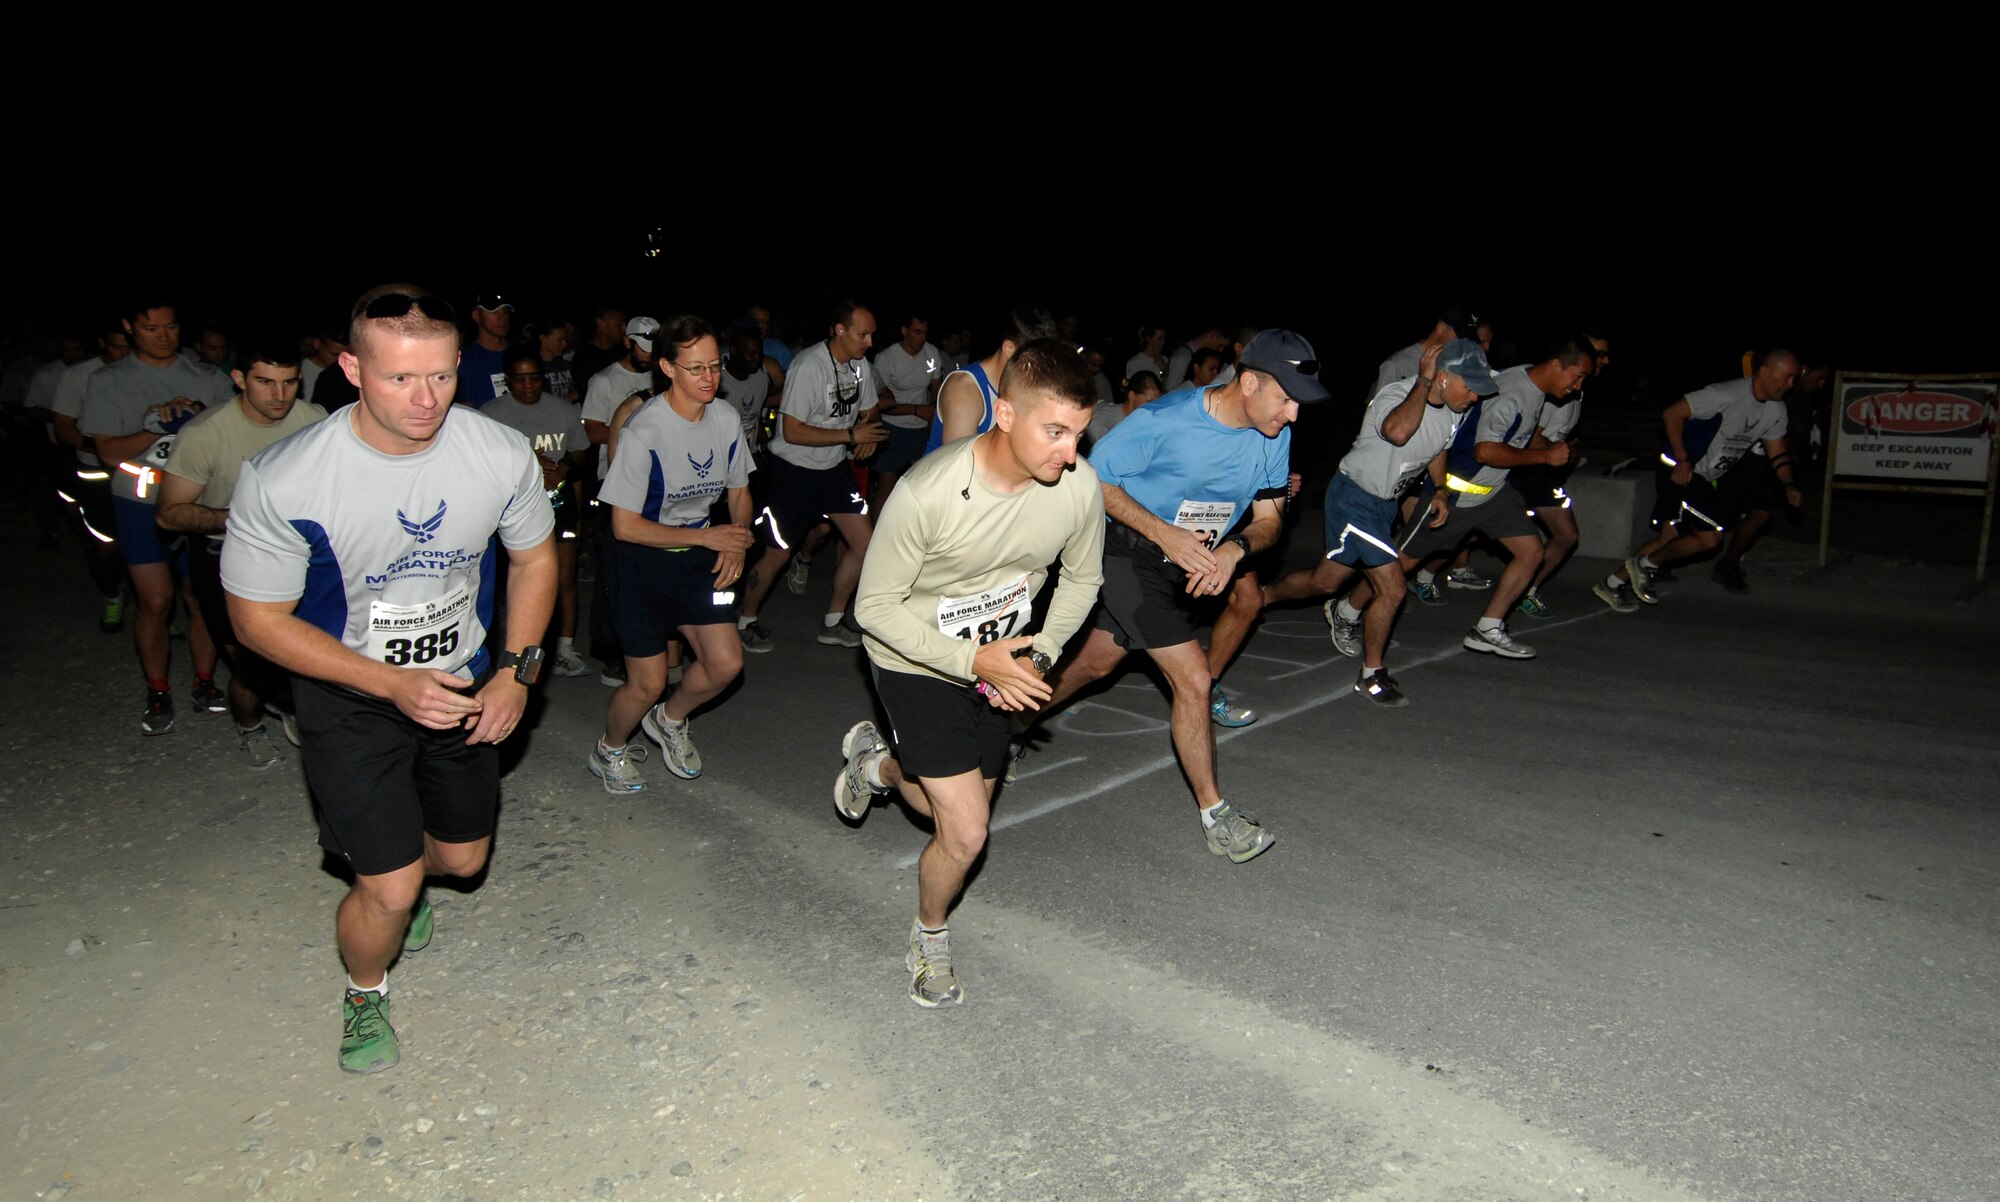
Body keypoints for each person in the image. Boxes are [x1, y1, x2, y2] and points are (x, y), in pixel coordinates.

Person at [224, 284, 557, 1076]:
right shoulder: (287, 478)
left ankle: (396, 871)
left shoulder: (496, 450)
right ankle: (364, 990)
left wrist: (515, 673)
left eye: (440, 376)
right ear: (348, 368)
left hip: (464, 684)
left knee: (464, 861)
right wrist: (388, 684)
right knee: (394, 885)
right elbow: (256, 622)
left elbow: (537, 559)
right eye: (400, 378)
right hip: (348, 696)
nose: (425, 398)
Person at [833, 339, 1104, 1007]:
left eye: (1079, 434)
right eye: (1056, 431)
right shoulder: (929, 492)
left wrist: (1040, 654)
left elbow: (1082, 577)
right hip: (918, 659)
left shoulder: (1078, 485)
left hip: (1003, 663)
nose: (1070, 453)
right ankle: (929, 937)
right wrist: (969, 660)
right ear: (1005, 415)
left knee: (938, 805)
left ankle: (879, 768)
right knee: (967, 831)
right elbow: (873, 610)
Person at [1016, 330, 1329, 862]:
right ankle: (1217, 817)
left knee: (1095, 663)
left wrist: (1234, 550)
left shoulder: (1273, 435)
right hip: (1125, 551)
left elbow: (1271, 521)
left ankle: (1006, 721)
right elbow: (1089, 478)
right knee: (1194, 678)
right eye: (1286, 398)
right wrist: (1164, 532)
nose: (1294, 414)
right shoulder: (1165, 421)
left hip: (1184, 561)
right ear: (1249, 382)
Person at [1252, 340, 1494, 705]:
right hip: (1354, 498)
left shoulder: (1455, 412)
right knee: (1393, 587)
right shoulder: (1396, 395)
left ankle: (1260, 597)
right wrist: (1423, 384)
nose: (1475, 396)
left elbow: (1438, 447)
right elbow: (1398, 432)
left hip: (1383, 505)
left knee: (1325, 581)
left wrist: (1440, 489)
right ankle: (1372, 675)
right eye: (1470, 386)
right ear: (1443, 378)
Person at [588, 316, 753, 792]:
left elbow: (740, 490)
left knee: (726, 665)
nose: (709, 378)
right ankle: (609, 750)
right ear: (667, 367)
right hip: (639, 559)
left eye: (715, 366)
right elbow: (624, 526)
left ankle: (670, 719)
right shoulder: (646, 429)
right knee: (647, 682)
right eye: (696, 368)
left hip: (698, 554)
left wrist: (737, 540)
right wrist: (710, 538)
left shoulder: (723, 418)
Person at [1365, 336, 1593, 659]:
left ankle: (1487, 627)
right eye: (1578, 375)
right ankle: (1347, 608)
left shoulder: (1534, 384)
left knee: (1531, 553)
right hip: (1458, 492)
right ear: (1557, 365)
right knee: (1401, 564)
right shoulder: (1514, 393)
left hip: (1495, 494)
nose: (1578, 386)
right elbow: (1484, 450)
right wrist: (1544, 458)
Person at [157, 337, 327, 766]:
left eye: (289, 383)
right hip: (225, 556)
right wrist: (242, 516)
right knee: (252, 663)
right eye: (266, 382)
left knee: (318, 649)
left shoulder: (316, 421)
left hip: (302, 552)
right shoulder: (204, 434)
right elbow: (170, 514)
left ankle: (301, 711)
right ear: (239, 379)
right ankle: (250, 725)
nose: (279, 395)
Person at [78, 294, 235, 734]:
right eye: (150, 328)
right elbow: (107, 452)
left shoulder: (205, 376)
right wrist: (150, 425)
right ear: (129, 328)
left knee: (201, 597)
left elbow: (233, 436)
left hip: (200, 503)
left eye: (170, 327)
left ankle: (205, 683)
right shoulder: (109, 380)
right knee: (155, 600)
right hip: (139, 503)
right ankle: (158, 689)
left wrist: (202, 419)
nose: (163, 337)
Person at [1595, 350, 1804, 611]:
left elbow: (1778, 454)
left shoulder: (1775, 410)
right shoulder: (1725, 394)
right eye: (1786, 378)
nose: (1790, 385)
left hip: (1705, 476)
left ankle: (1612, 583)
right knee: (1710, 538)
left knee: (1669, 538)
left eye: (1794, 379)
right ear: (1764, 372)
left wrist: (1789, 486)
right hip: (1680, 470)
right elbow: (1672, 413)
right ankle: (1646, 565)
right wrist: (1683, 459)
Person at [735, 300, 886, 651]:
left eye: (872, 335)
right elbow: (792, 431)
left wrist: (867, 430)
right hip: (793, 471)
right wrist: (851, 436)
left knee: (866, 544)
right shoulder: (809, 366)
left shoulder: (861, 366)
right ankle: (746, 620)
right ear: (840, 330)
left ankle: (833, 621)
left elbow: (871, 409)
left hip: (833, 469)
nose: (869, 342)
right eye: (863, 334)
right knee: (779, 552)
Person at [480, 347, 591, 675]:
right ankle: (515, 650)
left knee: (565, 577)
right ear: (508, 381)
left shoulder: (563, 409)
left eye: (534, 377)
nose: (528, 385)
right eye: (520, 379)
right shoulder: (490, 414)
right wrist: (526, 463)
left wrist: (566, 466)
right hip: (512, 508)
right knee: (513, 581)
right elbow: (481, 463)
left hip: (558, 501)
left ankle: (565, 648)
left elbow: (581, 449)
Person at [1515, 333, 1610, 618]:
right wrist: (1558, 451)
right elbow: (1528, 438)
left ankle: (1526, 589)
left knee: (1566, 535)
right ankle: (1419, 572)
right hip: (1526, 468)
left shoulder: (1576, 387)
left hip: (1544, 471)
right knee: (1471, 527)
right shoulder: (1552, 388)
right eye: (1600, 353)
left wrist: (1569, 448)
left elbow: (1560, 433)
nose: (1604, 360)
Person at [926, 305, 1060, 452]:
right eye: (1035, 361)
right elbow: (961, 466)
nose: (1041, 370)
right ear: (1009, 348)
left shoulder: (1023, 386)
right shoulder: (965, 389)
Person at [868, 312, 945, 505]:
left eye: (925, 333)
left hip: (920, 429)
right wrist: (916, 410)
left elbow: (936, 387)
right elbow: (878, 405)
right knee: (888, 489)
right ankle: (878, 532)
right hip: (892, 428)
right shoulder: (886, 358)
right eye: (917, 332)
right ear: (904, 331)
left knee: (925, 486)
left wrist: (934, 412)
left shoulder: (932, 353)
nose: (922, 337)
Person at [456, 292, 513, 408]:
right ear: (476, 316)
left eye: (505, 311)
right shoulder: (466, 361)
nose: (502, 317)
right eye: (494, 311)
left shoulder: (522, 353)